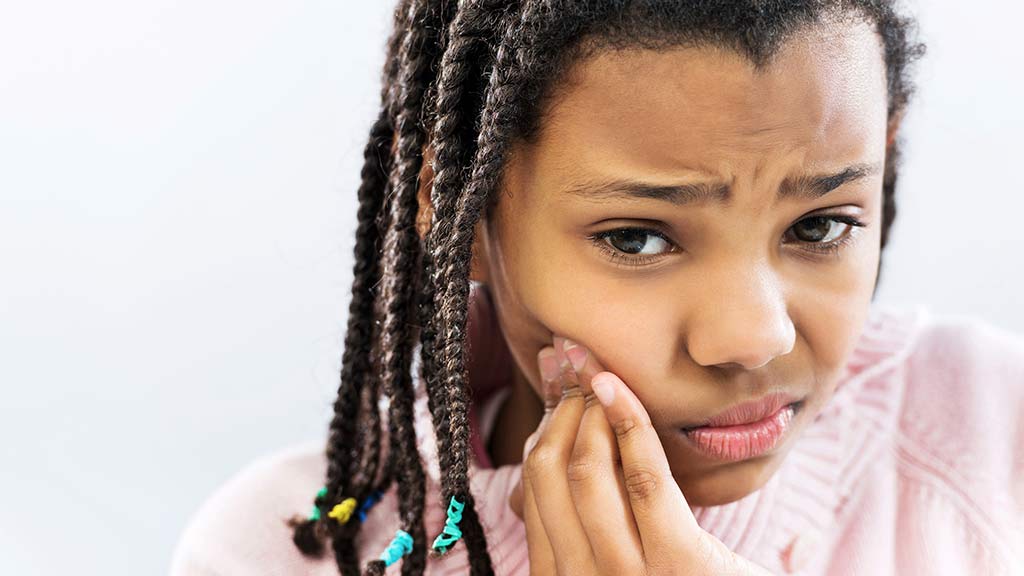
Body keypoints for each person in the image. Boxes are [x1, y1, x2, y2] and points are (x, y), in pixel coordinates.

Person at [170, 1, 1024, 574]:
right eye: (638, 237)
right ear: (458, 209)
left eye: (820, 226)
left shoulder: (991, 434)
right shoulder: (296, 548)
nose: (754, 337)